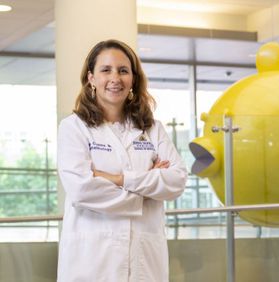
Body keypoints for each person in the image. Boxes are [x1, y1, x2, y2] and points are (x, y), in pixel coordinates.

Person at [57, 39, 187, 281]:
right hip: (93, 260)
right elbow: (82, 189)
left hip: (144, 260)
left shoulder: (152, 128)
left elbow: (177, 180)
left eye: (123, 70)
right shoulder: (74, 128)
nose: (115, 78)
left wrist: (116, 178)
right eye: (105, 70)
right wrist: (148, 190)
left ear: (133, 80)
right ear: (91, 78)